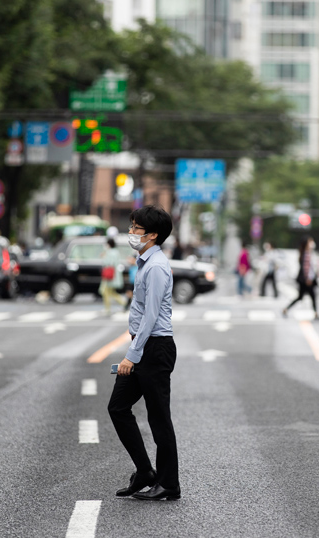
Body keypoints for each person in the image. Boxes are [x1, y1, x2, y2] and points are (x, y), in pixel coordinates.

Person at [107, 205, 180, 501]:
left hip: (155, 348)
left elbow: (151, 317)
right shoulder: (144, 261)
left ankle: (169, 484)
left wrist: (131, 356)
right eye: (132, 227)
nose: (131, 232)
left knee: (159, 417)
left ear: (152, 235)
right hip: (145, 345)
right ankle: (145, 472)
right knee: (118, 407)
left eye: (136, 228)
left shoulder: (157, 266)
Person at [283, 237, 319, 320]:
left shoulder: (305, 253)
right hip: (306, 280)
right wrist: (308, 279)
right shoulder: (306, 254)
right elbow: (306, 268)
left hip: (305, 280)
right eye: (310, 242)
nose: (312, 243)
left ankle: (286, 309)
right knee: (310, 296)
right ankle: (316, 312)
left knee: (301, 297)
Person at [100, 237, 127, 316]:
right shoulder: (116, 252)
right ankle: (123, 302)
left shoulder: (109, 252)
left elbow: (107, 263)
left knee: (106, 292)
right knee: (110, 292)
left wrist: (103, 255)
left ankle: (108, 308)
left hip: (109, 276)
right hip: (114, 275)